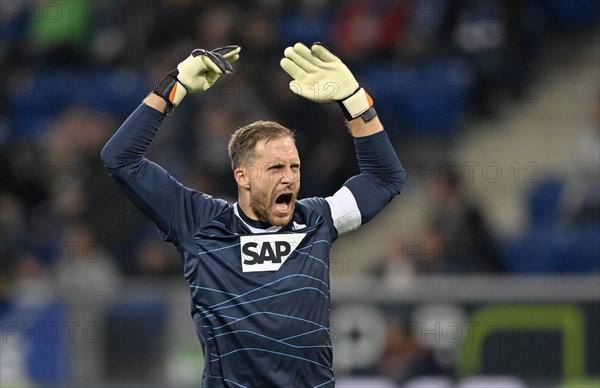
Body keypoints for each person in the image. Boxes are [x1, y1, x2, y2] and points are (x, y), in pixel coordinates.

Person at [101, 42, 405, 387]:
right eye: (275, 168)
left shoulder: (316, 219)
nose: (289, 177)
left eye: (294, 166)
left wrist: (354, 100)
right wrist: (174, 87)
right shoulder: (200, 221)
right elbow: (120, 159)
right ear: (242, 176)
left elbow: (385, 178)